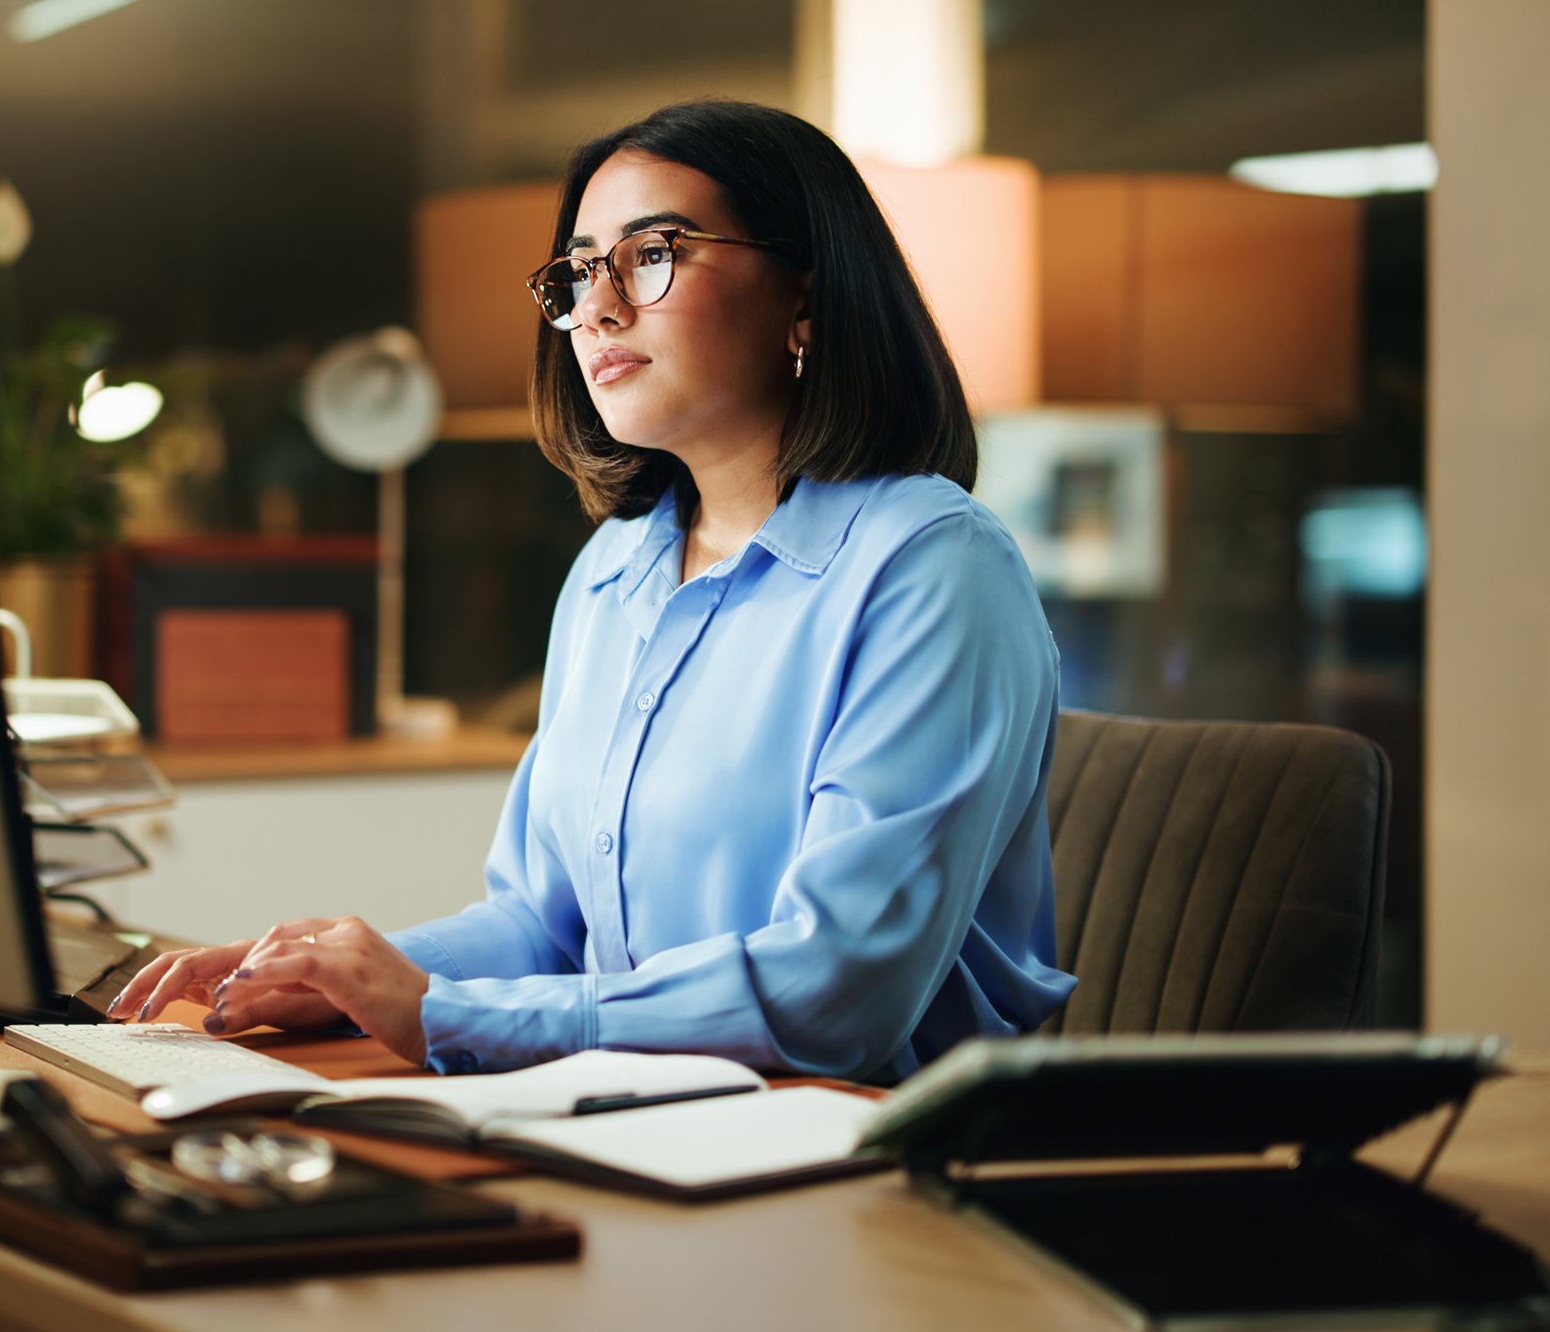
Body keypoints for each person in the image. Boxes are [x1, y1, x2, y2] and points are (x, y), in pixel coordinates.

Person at [108, 100, 1074, 1081]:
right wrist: (340, 976)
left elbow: (836, 989)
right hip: (638, 1113)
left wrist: (439, 1010)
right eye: (576, 270)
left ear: (804, 295)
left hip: (868, 1158)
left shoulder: (931, 564)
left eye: (652, 252)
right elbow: (543, 922)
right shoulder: (614, 568)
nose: (598, 307)